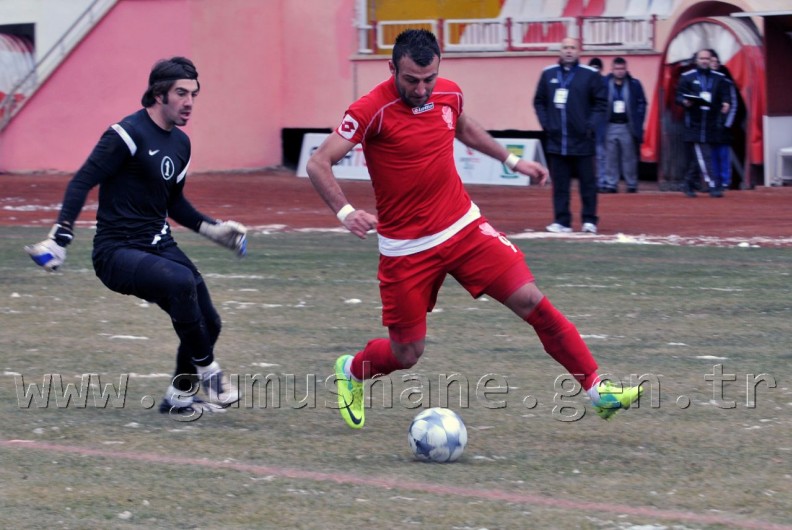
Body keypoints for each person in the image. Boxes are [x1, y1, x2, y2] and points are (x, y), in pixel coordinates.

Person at [306, 29, 642, 430]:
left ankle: (598, 389)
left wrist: (513, 161)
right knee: (406, 353)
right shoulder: (370, 110)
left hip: (464, 228)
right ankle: (352, 371)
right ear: (391, 68)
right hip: (406, 249)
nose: (422, 89)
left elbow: (463, 127)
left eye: (429, 79)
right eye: (411, 80)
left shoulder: (449, 93)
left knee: (531, 301)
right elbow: (318, 162)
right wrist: (345, 212)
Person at [25, 57, 246, 417]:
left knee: (210, 322)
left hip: (160, 244)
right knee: (181, 282)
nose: (189, 102)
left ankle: (179, 398)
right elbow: (82, 181)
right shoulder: (125, 134)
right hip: (117, 252)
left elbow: (173, 202)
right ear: (159, 94)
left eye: (194, 94)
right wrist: (59, 238)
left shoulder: (181, 143)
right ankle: (210, 373)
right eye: (181, 93)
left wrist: (213, 230)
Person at [534, 37, 607, 234]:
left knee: (588, 184)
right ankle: (562, 221)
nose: (568, 51)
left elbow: (601, 103)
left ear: (578, 51)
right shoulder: (548, 74)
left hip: (583, 140)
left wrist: (590, 126)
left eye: (572, 47)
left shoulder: (590, 75)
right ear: (560, 51)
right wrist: (547, 124)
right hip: (557, 141)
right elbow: (539, 101)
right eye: (565, 47)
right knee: (560, 185)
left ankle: (589, 221)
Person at [675, 49, 732, 197]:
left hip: (711, 123)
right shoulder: (687, 77)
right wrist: (685, 101)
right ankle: (712, 185)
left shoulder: (719, 78)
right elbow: (678, 96)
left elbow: (726, 95)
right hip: (694, 123)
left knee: (699, 157)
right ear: (697, 60)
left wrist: (726, 103)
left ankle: (687, 183)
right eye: (702, 58)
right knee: (705, 154)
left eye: (707, 58)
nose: (704, 61)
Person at [600, 57, 647, 193]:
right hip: (610, 125)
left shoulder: (634, 84)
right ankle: (611, 184)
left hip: (627, 125)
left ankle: (631, 183)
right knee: (610, 157)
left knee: (629, 157)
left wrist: (639, 118)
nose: (620, 71)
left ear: (626, 69)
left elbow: (642, 103)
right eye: (617, 68)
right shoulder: (604, 83)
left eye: (622, 68)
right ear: (612, 69)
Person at [707, 49, 738, 190]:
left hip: (723, 124)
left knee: (723, 153)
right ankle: (714, 180)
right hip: (709, 124)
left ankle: (725, 181)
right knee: (711, 154)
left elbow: (734, 103)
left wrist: (728, 123)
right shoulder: (704, 81)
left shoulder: (726, 81)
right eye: (711, 61)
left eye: (716, 61)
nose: (714, 63)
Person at [587, 57, 608, 193]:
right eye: (592, 68)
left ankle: (602, 182)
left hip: (601, 124)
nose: (595, 71)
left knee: (601, 155)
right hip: (588, 124)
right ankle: (590, 182)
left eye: (597, 68)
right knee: (589, 157)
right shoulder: (584, 82)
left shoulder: (605, 83)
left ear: (601, 70)